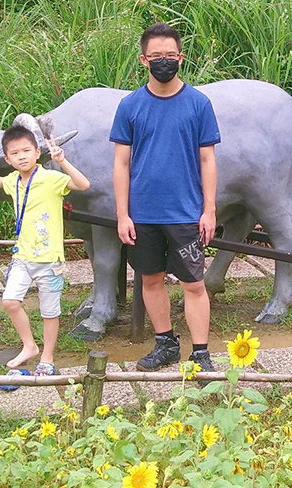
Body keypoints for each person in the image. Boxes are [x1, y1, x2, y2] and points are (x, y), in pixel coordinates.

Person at [110, 22, 220, 372]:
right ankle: (165, 343)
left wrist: (209, 210)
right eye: (156, 56)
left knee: (194, 283)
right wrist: (123, 214)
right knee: (150, 279)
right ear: (143, 60)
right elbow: (121, 164)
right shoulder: (130, 106)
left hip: (187, 213)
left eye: (169, 55)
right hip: (143, 214)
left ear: (181, 57)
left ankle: (200, 353)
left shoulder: (198, 104)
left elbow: (208, 159)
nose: (163, 61)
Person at [0, 126, 90, 375]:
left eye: (26, 150)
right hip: (22, 257)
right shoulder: (13, 181)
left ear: (37, 152)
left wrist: (62, 161)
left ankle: (47, 356)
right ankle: (29, 346)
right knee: (10, 301)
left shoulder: (51, 179)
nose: (22, 156)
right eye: (15, 153)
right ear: (7, 159)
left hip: (50, 261)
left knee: (50, 312)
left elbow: (83, 184)